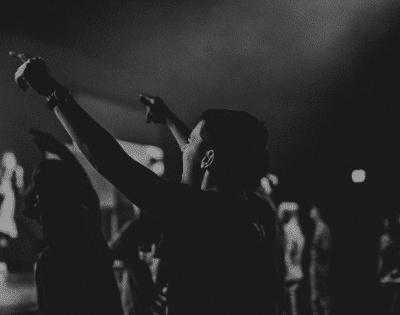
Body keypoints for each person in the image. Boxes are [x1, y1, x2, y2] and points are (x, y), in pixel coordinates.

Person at [12, 53, 279, 315]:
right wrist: (168, 117)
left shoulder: (199, 210)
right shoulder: (256, 210)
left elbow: (109, 160)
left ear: (208, 159)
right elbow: (206, 153)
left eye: (191, 142)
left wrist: (52, 92)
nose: (184, 147)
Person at [23, 129, 124, 315]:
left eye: (32, 184)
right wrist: (61, 151)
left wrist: (61, 151)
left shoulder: (53, 262)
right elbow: (89, 196)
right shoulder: (91, 239)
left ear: (41, 200)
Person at [278, 202, 305, 315]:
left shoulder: (289, 229)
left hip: (289, 273)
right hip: (295, 271)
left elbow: (291, 251)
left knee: (289, 307)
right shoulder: (296, 228)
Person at [309, 206, 332, 315]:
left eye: (313, 211)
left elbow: (325, 248)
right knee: (317, 296)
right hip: (317, 265)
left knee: (321, 295)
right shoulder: (319, 228)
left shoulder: (323, 229)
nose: (310, 212)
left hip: (320, 266)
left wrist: (317, 264)